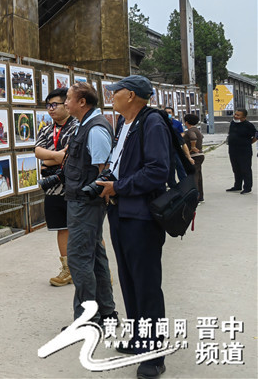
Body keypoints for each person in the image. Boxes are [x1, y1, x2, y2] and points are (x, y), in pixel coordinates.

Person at [96, 75, 172, 379]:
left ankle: (155, 354)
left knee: (146, 284)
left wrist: (119, 187)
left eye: (115, 92)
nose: (111, 96)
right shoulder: (123, 123)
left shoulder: (151, 123)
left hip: (141, 216)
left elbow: (157, 170)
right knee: (128, 280)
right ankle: (142, 338)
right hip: (121, 213)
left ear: (131, 95)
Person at [62, 82, 116, 327]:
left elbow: (104, 171)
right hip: (80, 202)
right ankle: (106, 313)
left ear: (82, 102)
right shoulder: (84, 125)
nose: (64, 103)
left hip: (87, 204)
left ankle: (88, 319)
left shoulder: (95, 129)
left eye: (68, 98)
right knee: (93, 257)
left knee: (79, 259)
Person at [34, 87, 78, 287]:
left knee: (86, 228)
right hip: (53, 188)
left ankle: (99, 269)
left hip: (74, 187)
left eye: (55, 105)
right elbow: (37, 151)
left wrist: (50, 159)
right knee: (62, 228)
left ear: (67, 106)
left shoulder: (77, 127)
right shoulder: (46, 129)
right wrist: (58, 157)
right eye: (48, 105)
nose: (50, 109)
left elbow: (73, 156)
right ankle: (67, 270)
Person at [226, 108, 257, 194]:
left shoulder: (248, 125)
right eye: (235, 114)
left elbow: (256, 136)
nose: (235, 116)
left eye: (238, 115)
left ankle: (247, 187)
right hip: (233, 149)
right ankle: (237, 185)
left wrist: (249, 142)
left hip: (244, 150)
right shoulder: (232, 123)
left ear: (244, 117)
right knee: (236, 168)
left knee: (245, 169)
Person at [183, 113, 205, 202]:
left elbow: (193, 137)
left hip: (194, 156)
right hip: (200, 155)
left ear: (186, 122)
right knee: (198, 176)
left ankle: (195, 197)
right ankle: (200, 196)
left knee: (194, 176)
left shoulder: (190, 131)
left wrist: (192, 147)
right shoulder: (197, 130)